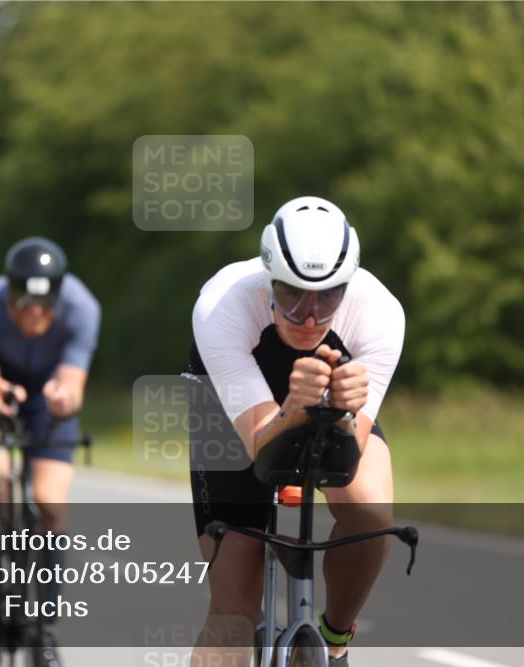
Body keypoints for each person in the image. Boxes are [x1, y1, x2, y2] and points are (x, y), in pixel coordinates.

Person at [188, 197, 405, 665]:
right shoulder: (222, 306)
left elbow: (345, 464)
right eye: (292, 293)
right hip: (232, 406)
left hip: (326, 401)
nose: (310, 315)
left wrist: (344, 411)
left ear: (348, 286)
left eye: (329, 295)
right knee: (234, 609)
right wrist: (292, 407)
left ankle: (333, 638)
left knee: (370, 516)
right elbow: (262, 449)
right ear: (269, 278)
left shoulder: (379, 312)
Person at [0, 237, 100, 579]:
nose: (35, 312)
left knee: (49, 502)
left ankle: (46, 613)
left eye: (45, 303)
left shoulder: (83, 308)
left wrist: (64, 398)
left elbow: (73, 385)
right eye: (25, 301)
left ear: (59, 295)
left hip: (47, 386)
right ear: (8, 292)